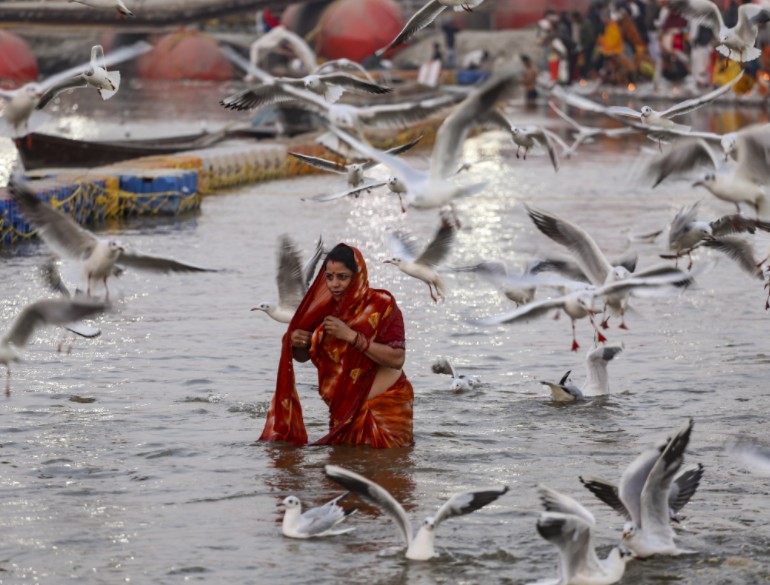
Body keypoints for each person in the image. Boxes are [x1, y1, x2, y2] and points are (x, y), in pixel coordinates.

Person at [259, 243, 414, 448]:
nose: (334, 284)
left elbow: (397, 359)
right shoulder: (320, 310)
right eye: (329, 277)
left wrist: (352, 336)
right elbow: (304, 356)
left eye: (342, 277)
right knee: (340, 470)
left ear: (357, 275)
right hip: (342, 412)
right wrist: (298, 343)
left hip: (386, 408)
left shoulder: (382, 304)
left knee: (388, 472)